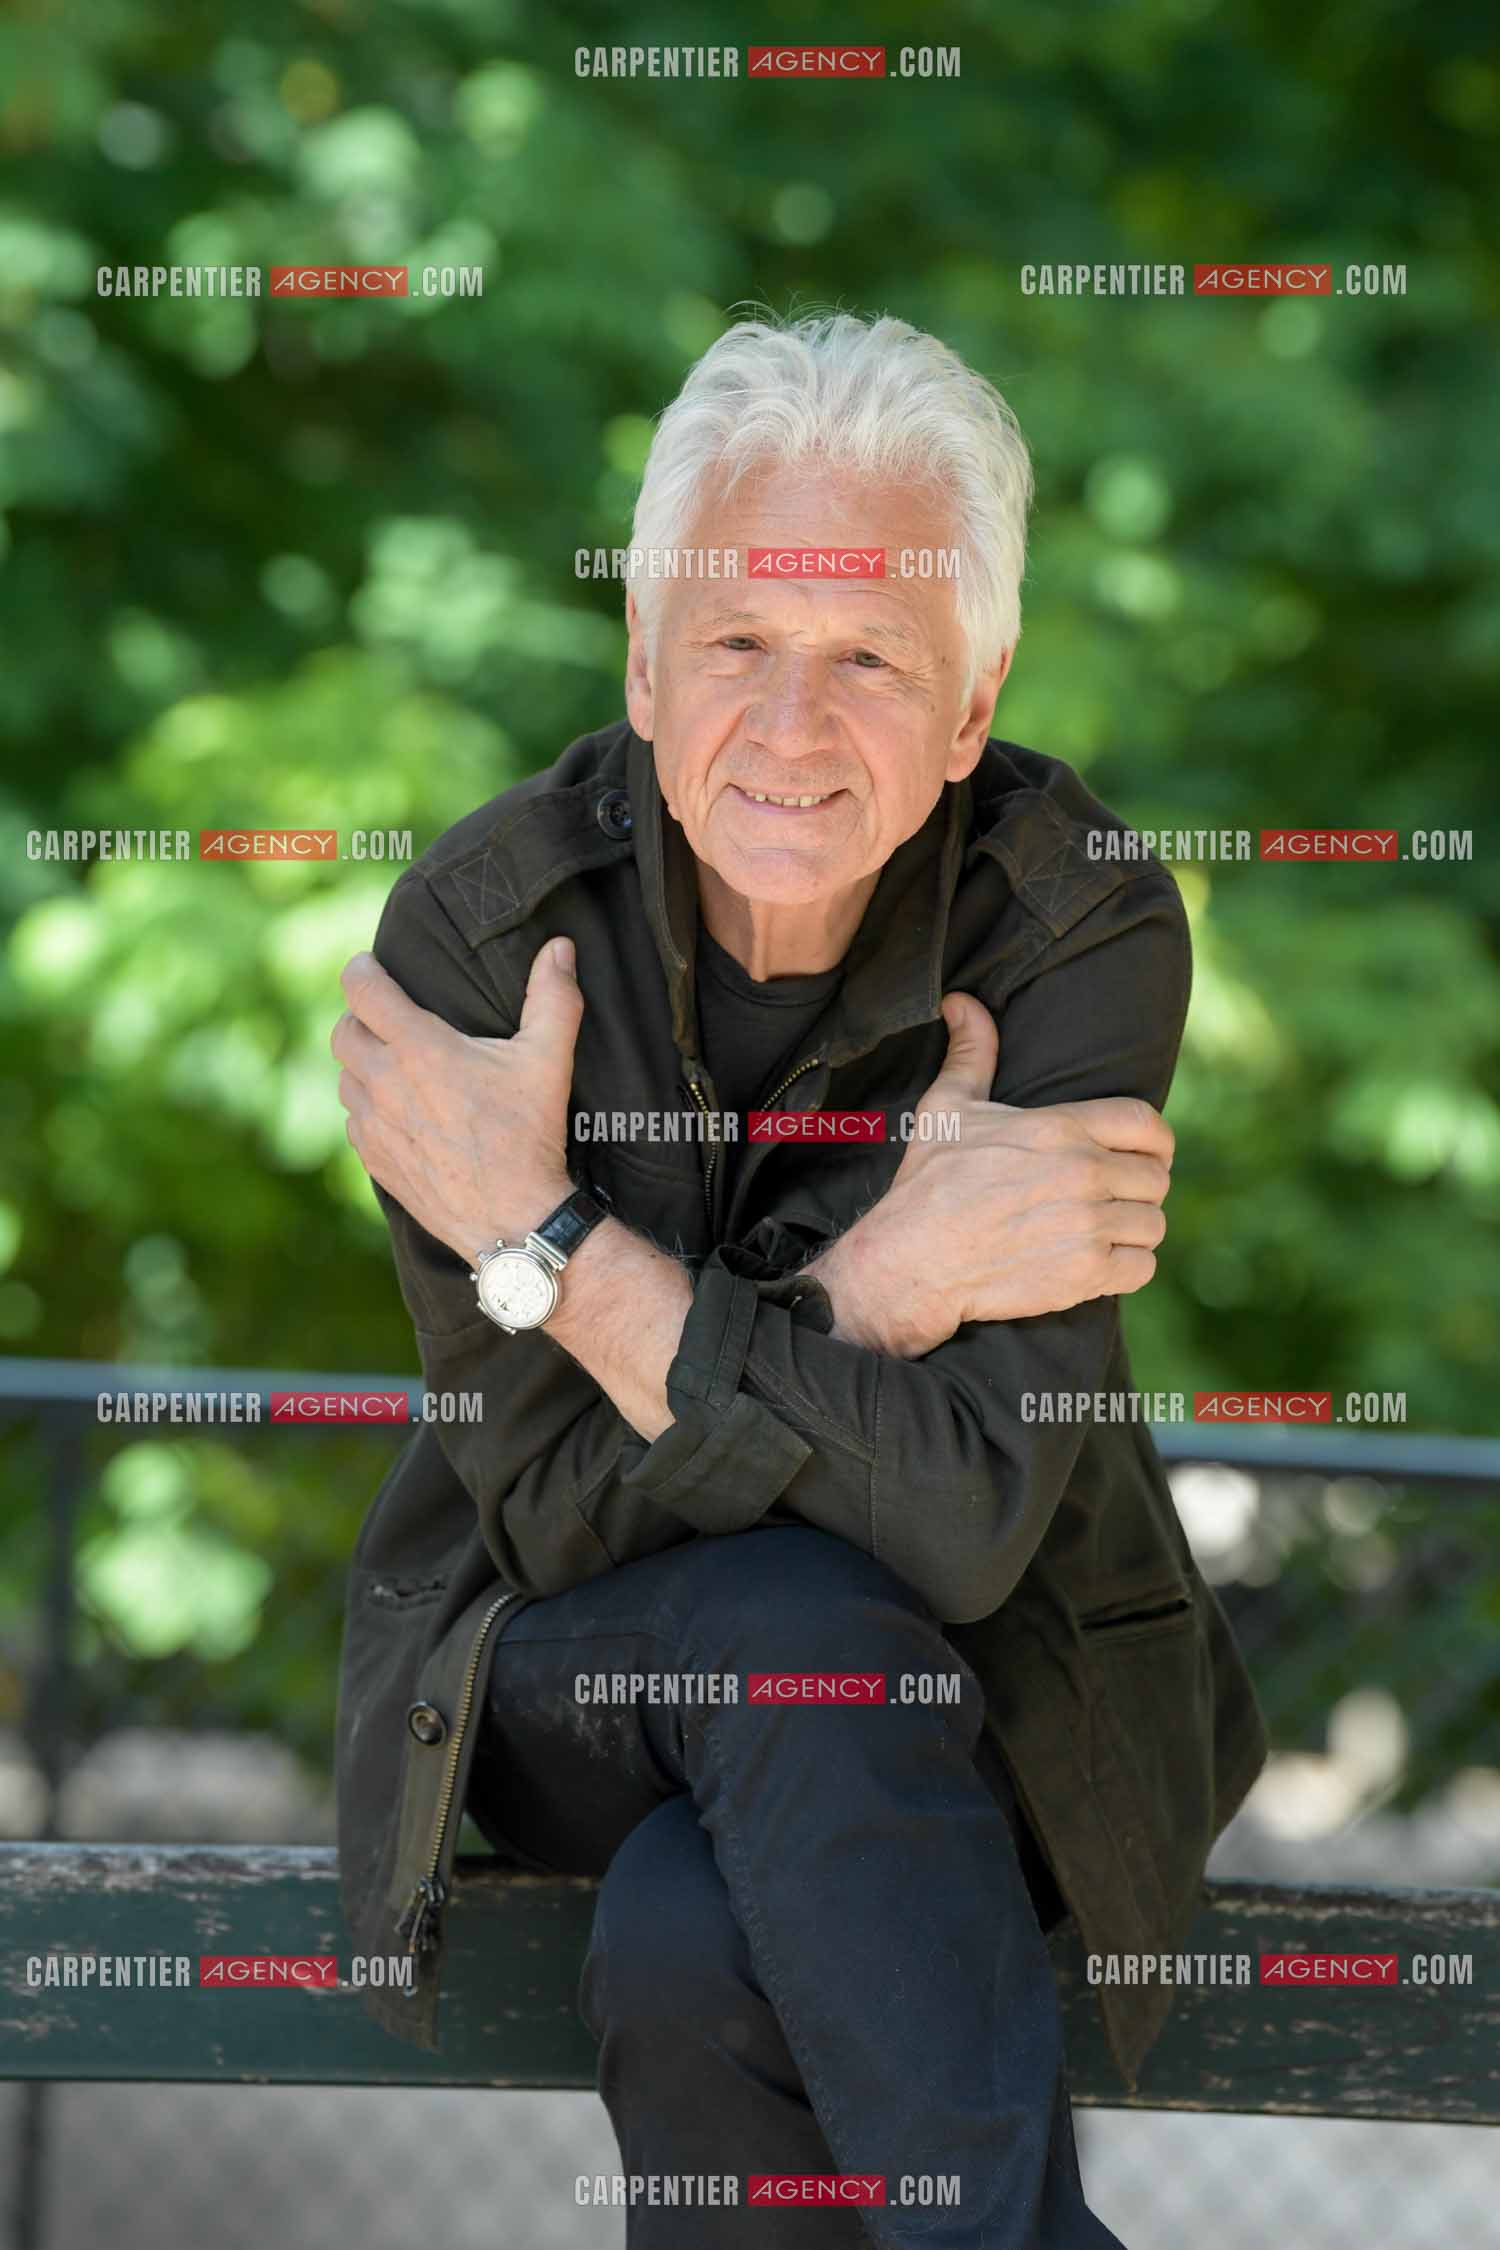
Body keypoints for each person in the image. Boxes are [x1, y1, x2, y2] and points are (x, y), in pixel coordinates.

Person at [330, 311, 1268, 2248]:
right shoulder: (484, 950)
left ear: (974, 695)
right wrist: (873, 1293)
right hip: (555, 1678)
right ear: (645, 667)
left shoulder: (1073, 922)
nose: (789, 724)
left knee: (693, 1934)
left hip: (991, 1704)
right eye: (739, 643)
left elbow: (972, 1511)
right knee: (771, 1623)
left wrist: (564, 1261)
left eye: (867, 660)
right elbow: (563, 1516)